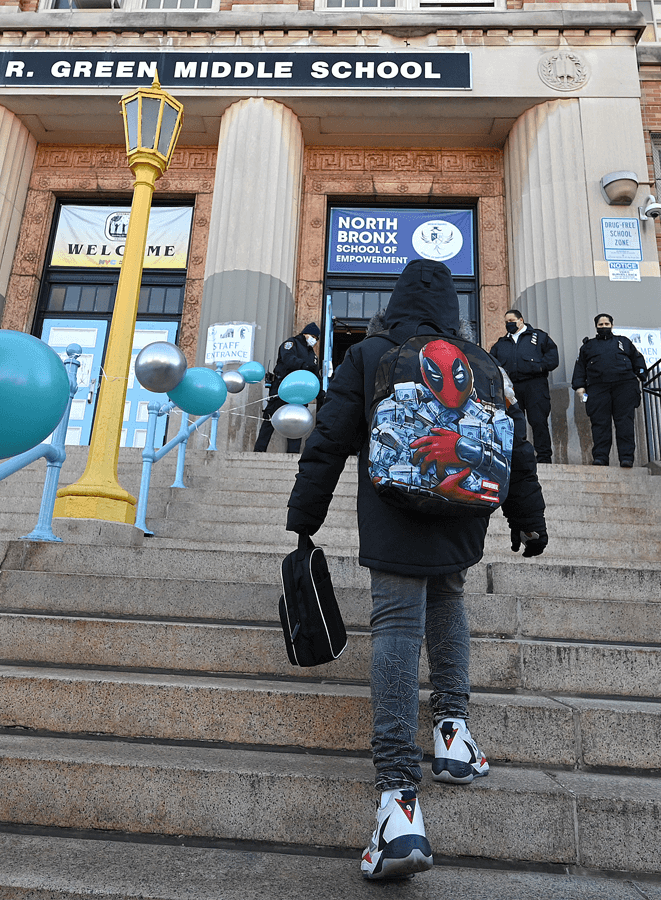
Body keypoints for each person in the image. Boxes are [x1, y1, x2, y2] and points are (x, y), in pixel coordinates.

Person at [285, 259, 548, 881]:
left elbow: (329, 436)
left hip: (391, 508)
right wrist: (528, 518)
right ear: (452, 306)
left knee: (398, 627)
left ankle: (399, 804)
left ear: (396, 299)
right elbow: (516, 444)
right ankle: (453, 733)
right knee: (449, 599)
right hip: (464, 509)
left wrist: (305, 514)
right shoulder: (484, 361)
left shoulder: (371, 352)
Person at [572, 313, 647, 468]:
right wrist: (580, 387)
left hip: (624, 386)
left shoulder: (623, 342)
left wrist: (641, 374)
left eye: (607, 324)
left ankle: (626, 458)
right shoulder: (588, 346)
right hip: (598, 388)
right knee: (600, 424)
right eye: (601, 325)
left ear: (612, 325)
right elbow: (580, 368)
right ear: (596, 326)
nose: (604, 327)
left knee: (625, 423)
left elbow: (637, 359)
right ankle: (600, 457)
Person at [488, 309, 559, 464]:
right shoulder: (501, 344)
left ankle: (544, 457)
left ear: (521, 320)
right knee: (513, 423)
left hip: (535, 385)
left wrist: (539, 367)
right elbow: (492, 364)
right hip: (511, 388)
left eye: (512, 320)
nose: (509, 324)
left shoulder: (539, 337)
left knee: (538, 421)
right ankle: (518, 458)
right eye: (506, 322)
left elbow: (553, 358)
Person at [253, 322, 322, 453]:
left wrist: (320, 393)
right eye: (313, 336)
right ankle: (259, 450)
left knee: (297, 422)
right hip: (281, 387)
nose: (315, 340)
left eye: (317, 338)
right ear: (305, 334)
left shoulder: (312, 355)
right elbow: (288, 359)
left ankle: (293, 453)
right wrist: (304, 366)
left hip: (300, 392)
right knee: (270, 418)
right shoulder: (292, 343)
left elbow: (315, 376)